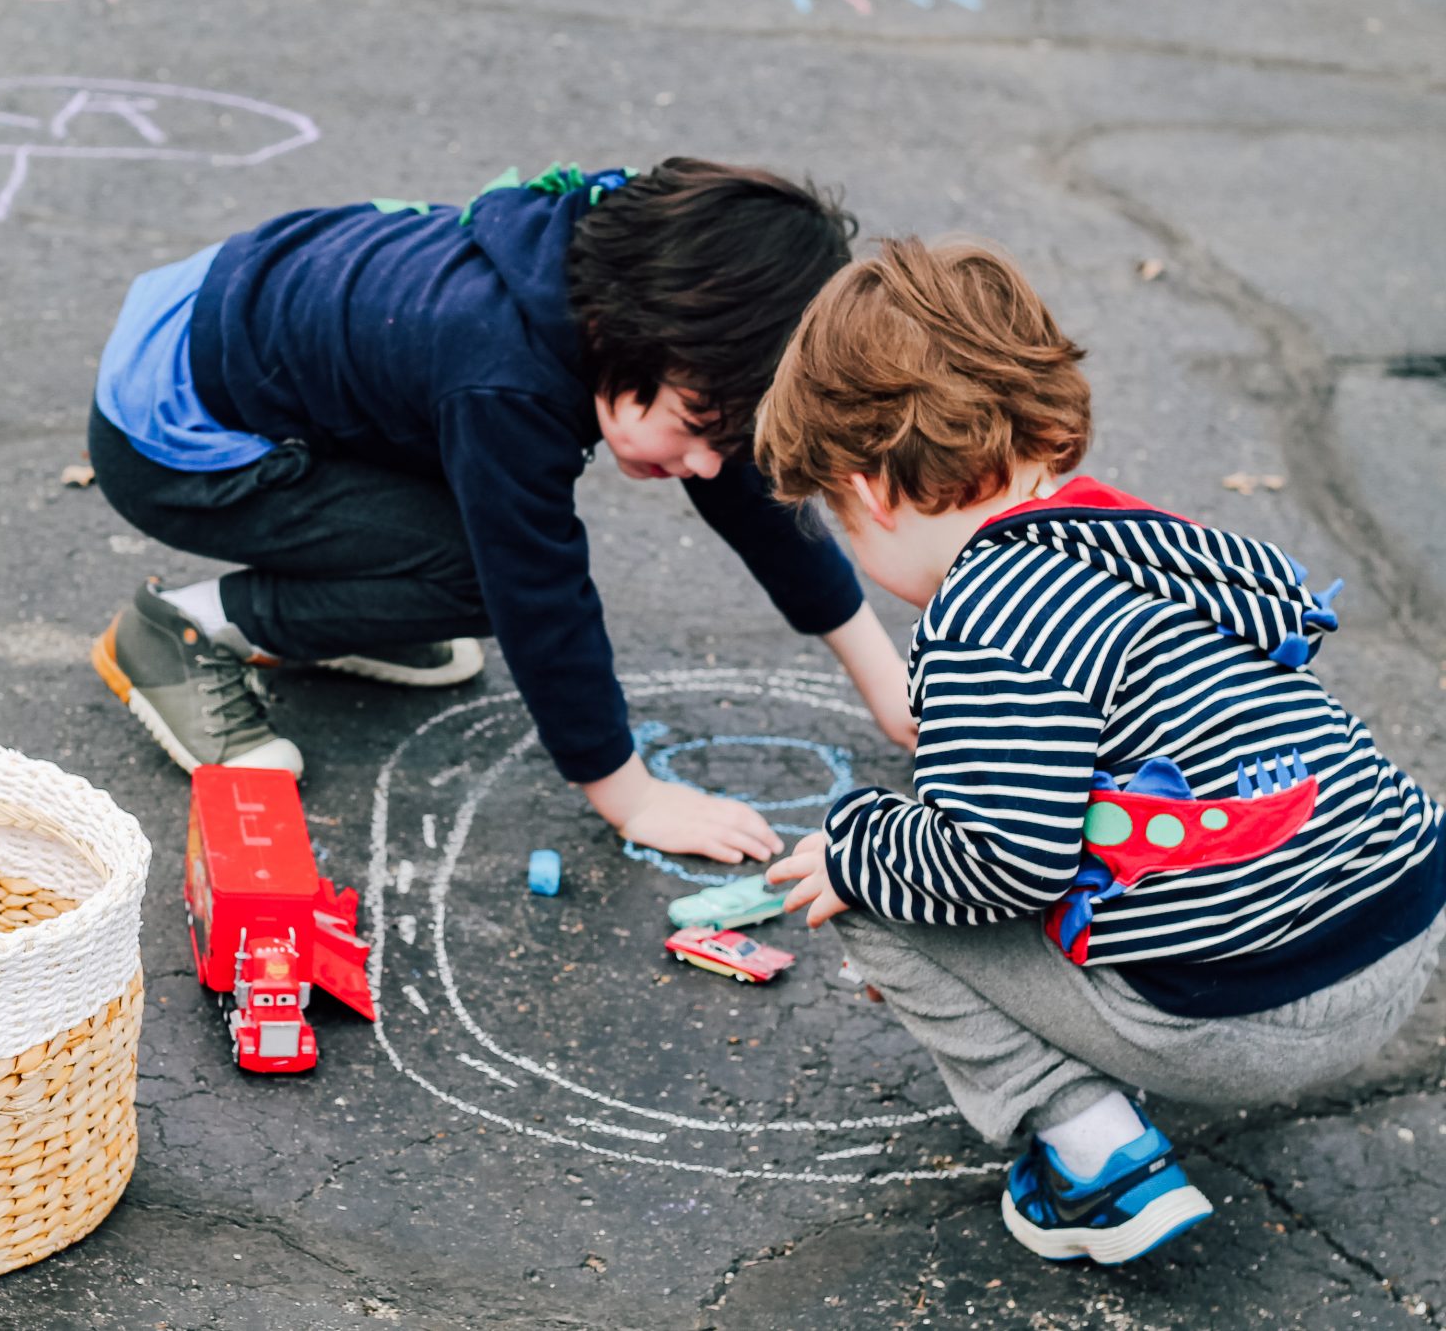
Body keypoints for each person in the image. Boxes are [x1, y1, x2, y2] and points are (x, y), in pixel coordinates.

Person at [758, 237, 1445, 1264]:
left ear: (871, 491)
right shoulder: (1135, 542)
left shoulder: (985, 614)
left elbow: (1001, 861)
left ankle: (1095, 1165)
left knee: (860, 875)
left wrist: (867, 853)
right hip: (1399, 928)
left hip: (1252, 1014)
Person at [85, 158, 916, 863]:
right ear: (642, 333)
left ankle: (359, 599)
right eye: (699, 428)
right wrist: (630, 797)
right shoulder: (504, 377)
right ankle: (188, 630)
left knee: (477, 542)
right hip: (174, 441)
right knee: (481, 576)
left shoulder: (617, 270)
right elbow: (537, 590)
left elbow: (748, 494)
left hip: (240, 339)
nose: (703, 463)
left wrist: (885, 681)